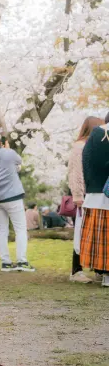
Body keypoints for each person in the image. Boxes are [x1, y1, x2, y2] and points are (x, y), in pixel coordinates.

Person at [0, 129, 35, 272]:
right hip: (12, 196)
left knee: (2, 230)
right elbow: (18, 161)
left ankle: (5, 262)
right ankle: (22, 261)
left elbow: (4, 168)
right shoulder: (8, 153)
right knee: (20, 229)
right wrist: (7, 148)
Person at [67, 116, 104, 282]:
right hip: (84, 195)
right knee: (80, 232)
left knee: (95, 233)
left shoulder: (94, 147)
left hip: (94, 194)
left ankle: (98, 268)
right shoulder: (80, 147)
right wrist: (77, 195)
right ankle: (76, 270)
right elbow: (75, 172)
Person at [80, 114, 109, 287]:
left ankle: (104, 273)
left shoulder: (96, 135)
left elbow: (86, 161)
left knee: (101, 241)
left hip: (97, 194)